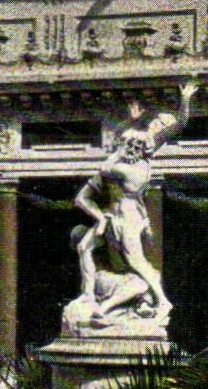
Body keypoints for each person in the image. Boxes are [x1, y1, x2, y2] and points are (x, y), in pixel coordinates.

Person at [72, 80, 196, 328]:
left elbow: (180, 123)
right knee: (85, 246)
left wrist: (185, 100)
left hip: (126, 213)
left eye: (160, 122)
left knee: (136, 260)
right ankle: (88, 296)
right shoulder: (137, 143)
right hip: (115, 213)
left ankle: (162, 301)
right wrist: (133, 121)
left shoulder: (138, 164)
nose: (156, 124)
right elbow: (121, 139)